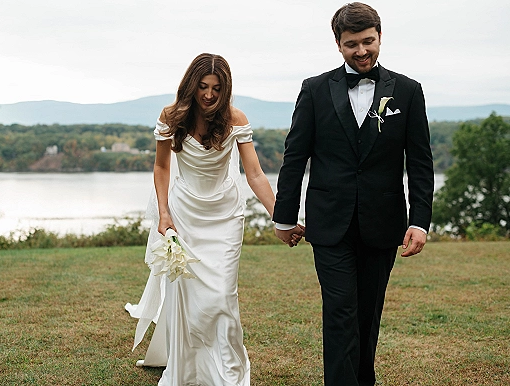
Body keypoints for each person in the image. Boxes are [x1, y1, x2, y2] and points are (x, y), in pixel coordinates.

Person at [272, 3, 434, 385]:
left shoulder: (408, 91)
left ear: (379, 36)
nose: (361, 51)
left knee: (367, 316)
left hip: (384, 222)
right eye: (351, 45)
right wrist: (283, 216)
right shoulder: (314, 90)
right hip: (330, 224)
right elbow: (295, 157)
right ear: (338, 45)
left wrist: (419, 221)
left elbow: (421, 163)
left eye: (368, 42)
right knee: (341, 313)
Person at [126, 53, 297, 386]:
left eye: (216, 89)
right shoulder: (171, 116)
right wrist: (164, 215)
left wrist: (282, 218)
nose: (208, 95)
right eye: (203, 86)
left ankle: (228, 373)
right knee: (189, 298)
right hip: (185, 213)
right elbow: (162, 168)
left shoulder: (235, 119)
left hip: (225, 215)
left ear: (225, 90)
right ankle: (190, 371)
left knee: (221, 295)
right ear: (191, 86)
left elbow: (256, 174)